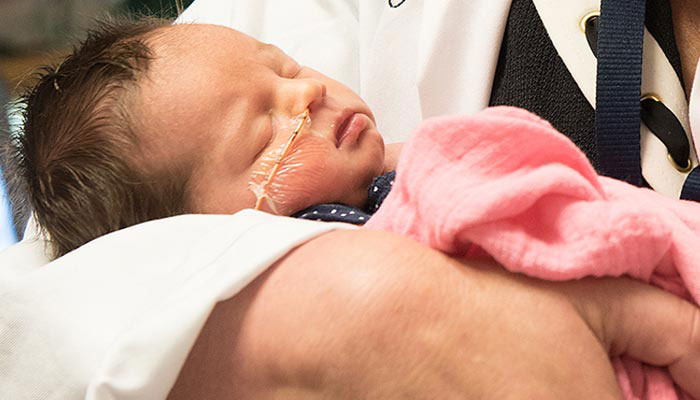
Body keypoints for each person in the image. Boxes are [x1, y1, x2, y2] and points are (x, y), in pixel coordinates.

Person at [6, 16, 700, 399]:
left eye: (285, 69)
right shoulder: (349, 230)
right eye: (262, 133)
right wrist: (343, 307)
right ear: (200, 233)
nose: (304, 95)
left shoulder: (417, 168)